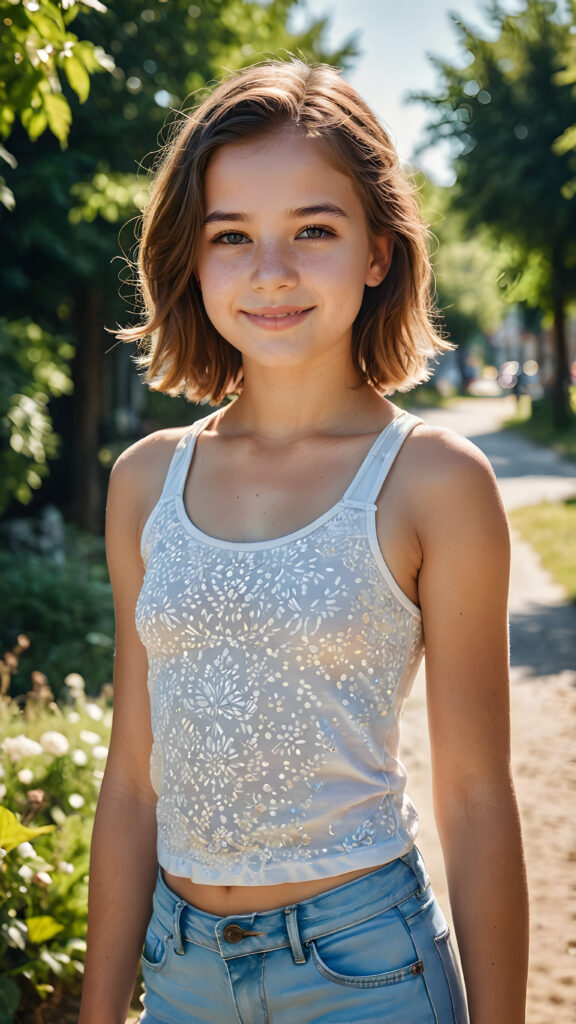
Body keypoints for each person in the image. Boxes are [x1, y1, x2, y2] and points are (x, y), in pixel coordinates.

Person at [78, 59, 528, 1024]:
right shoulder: (144, 482)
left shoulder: (435, 480)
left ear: (377, 250)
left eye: (314, 230)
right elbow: (129, 781)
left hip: (366, 971)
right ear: (191, 261)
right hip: (181, 969)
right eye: (231, 235)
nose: (271, 271)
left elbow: (479, 798)